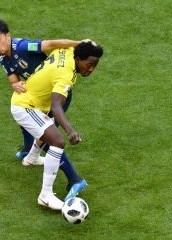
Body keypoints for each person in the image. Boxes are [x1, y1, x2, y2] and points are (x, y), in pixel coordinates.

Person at [0, 19, 88, 201]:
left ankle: (74, 179)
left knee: (50, 138)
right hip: (35, 97)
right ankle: (30, 153)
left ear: (8, 36)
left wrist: (81, 44)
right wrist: (15, 84)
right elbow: (12, 75)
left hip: (54, 96)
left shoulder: (23, 47)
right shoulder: (2, 54)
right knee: (30, 125)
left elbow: (52, 44)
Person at [11, 41, 103, 209]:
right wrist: (71, 131)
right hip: (26, 107)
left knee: (50, 135)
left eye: (94, 66)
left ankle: (31, 158)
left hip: (32, 105)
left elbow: (76, 43)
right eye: (89, 65)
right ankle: (45, 196)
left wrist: (85, 42)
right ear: (78, 58)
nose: (90, 69)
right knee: (58, 141)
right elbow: (56, 106)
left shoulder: (68, 50)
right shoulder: (66, 74)